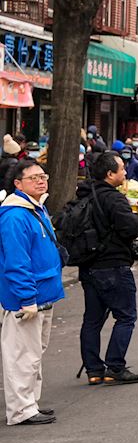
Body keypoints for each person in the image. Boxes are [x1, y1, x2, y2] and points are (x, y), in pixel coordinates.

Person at [76, 152, 138, 385]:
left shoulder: (85, 195)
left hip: (89, 265)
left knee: (92, 320)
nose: (125, 172)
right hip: (113, 265)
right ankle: (115, 366)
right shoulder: (114, 199)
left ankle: (94, 370)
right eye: (121, 169)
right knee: (126, 316)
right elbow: (131, 228)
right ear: (109, 174)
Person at [0, 160, 63, 424]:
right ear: (17, 184)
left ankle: (29, 404)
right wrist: (26, 298)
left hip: (42, 294)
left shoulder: (35, 208)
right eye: (33, 177)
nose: (41, 181)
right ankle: (21, 410)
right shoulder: (15, 215)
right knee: (22, 355)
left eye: (43, 176)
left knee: (33, 353)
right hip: (26, 299)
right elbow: (16, 262)